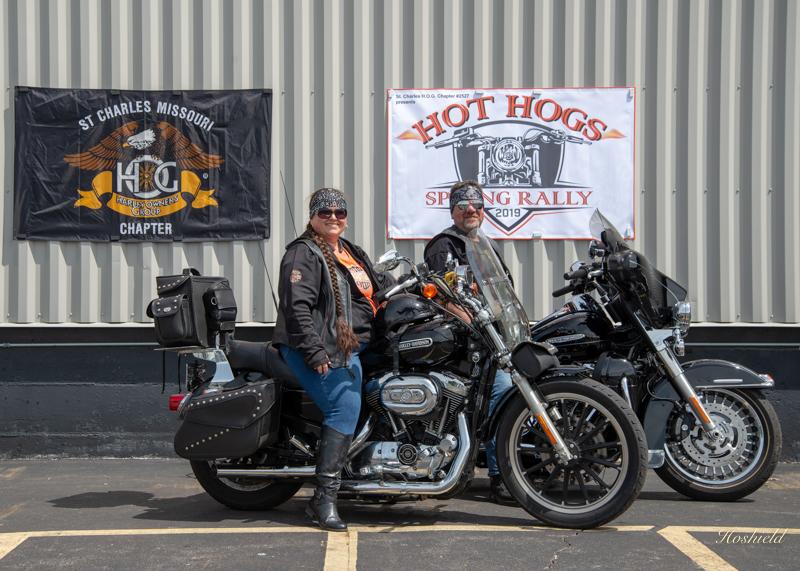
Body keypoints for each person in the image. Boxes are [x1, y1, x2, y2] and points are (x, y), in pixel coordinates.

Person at [273, 187, 385, 531]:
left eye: (340, 212)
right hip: (324, 347)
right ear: (312, 217)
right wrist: (314, 351)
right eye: (325, 212)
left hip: (353, 344)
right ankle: (323, 499)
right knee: (343, 407)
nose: (333, 217)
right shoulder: (302, 253)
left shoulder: (349, 251)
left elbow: (377, 286)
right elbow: (296, 308)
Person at [423, 180, 516, 505]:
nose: (470, 211)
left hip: (493, 339)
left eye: (477, 206)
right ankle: (502, 476)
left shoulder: (486, 246)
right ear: (453, 211)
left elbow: (504, 291)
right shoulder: (444, 245)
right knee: (502, 395)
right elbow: (445, 296)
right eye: (463, 207)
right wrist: (473, 322)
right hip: (464, 343)